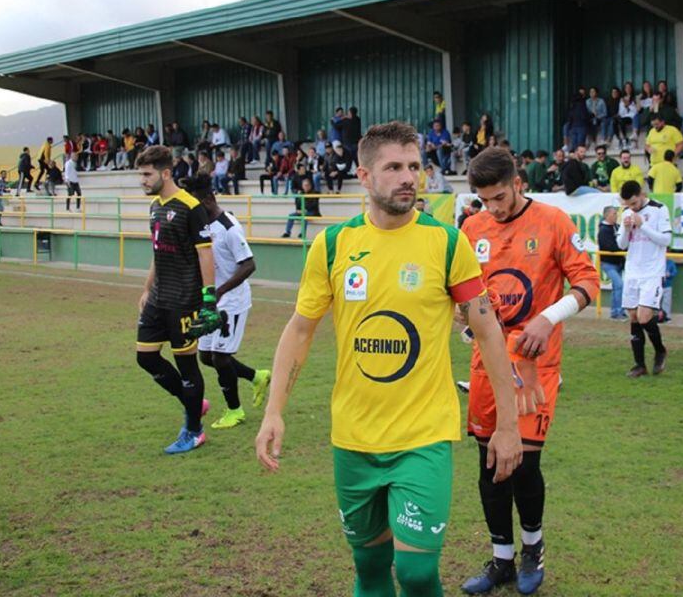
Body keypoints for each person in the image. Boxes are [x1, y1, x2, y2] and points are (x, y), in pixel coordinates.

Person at [255, 122, 523, 597]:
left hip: (423, 436)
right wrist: (274, 410)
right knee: (370, 566)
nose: (408, 178)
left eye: (415, 166)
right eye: (394, 167)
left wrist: (506, 425)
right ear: (363, 175)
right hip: (353, 438)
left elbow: (487, 331)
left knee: (417, 573)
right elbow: (300, 329)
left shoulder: (445, 243)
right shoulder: (333, 245)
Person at [459, 147, 599, 594]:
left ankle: (533, 548)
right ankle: (501, 558)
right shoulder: (472, 227)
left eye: (500, 197)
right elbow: (466, 295)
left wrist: (548, 317)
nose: (494, 209)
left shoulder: (554, 221)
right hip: (486, 362)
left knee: (522, 462)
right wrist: (466, 322)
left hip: (535, 364)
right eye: (485, 200)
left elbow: (588, 283)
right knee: (489, 463)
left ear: (518, 183)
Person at [134, 146, 218, 455]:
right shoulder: (155, 206)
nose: (142, 180)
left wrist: (208, 301)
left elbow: (205, 253)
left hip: (184, 299)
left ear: (166, 173)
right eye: (140, 174)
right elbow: (158, 252)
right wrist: (146, 289)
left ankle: (194, 431)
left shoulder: (190, 206)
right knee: (145, 357)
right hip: (159, 298)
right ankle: (193, 402)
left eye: (147, 174)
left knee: (186, 366)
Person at [183, 175, 271, 427]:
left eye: (197, 203)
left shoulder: (229, 228)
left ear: (209, 199)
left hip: (231, 301)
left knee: (221, 357)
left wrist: (220, 291)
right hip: (210, 300)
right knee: (206, 357)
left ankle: (235, 411)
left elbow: (249, 265)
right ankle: (256, 376)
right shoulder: (202, 225)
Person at [617, 180, 671, 377]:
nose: (632, 208)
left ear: (641, 194)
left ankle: (660, 350)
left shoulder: (659, 209)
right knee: (633, 317)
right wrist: (625, 228)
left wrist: (643, 225)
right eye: (628, 205)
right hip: (632, 271)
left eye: (634, 203)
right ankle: (639, 365)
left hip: (652, 272)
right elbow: (621, 245)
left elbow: (666, 240)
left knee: (644, 316)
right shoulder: (626, 213)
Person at [598, 206, 625, 320]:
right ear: (607, 215)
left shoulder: (617, 227)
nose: (616, 216)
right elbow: (609, 246)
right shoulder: (604, 230)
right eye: (614, 214)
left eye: (616, 214)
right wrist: (622, 248)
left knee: (617, 286)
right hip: (608, 263)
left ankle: (617, 311)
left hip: (618, 262)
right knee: (619, 284)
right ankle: (616, 311)